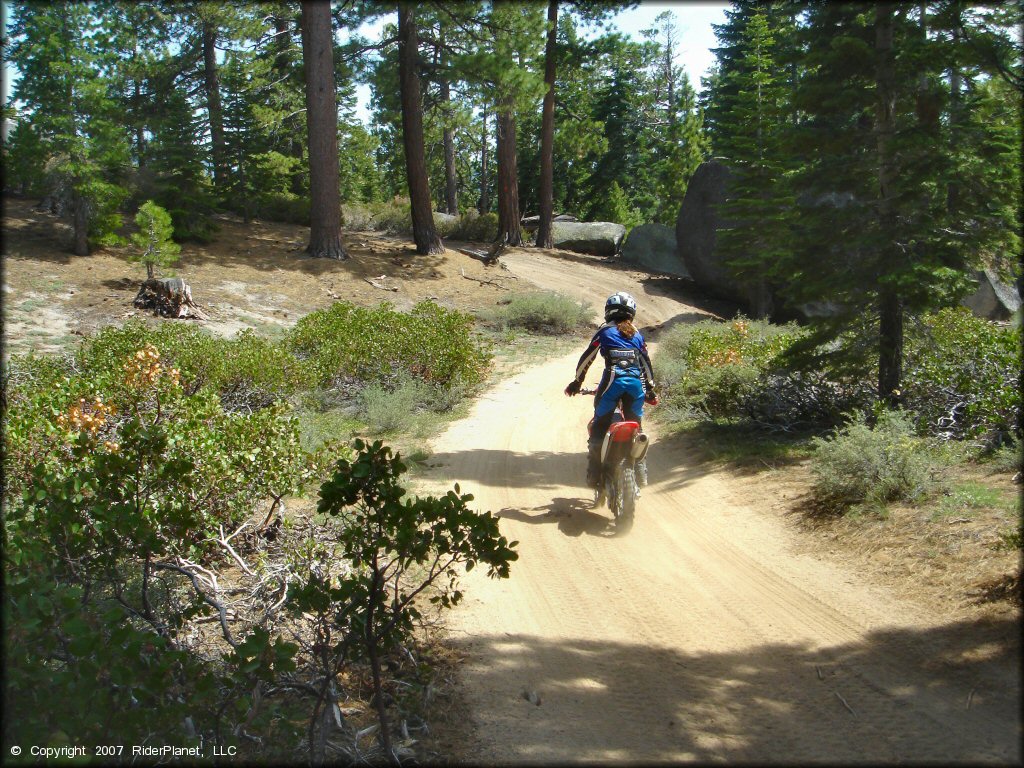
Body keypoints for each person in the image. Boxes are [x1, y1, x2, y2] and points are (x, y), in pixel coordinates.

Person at [564, 291, 657, 488]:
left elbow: (587, 358)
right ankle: (641, 470)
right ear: (631, 313)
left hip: (612, 381)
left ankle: (595, 473)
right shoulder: (637, 335)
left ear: (608, 311)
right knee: (637, 427)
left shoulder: (604, 331)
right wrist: (650, 389)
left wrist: (577, 382)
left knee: (599, 425)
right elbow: (645, 364)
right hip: (635, 385)